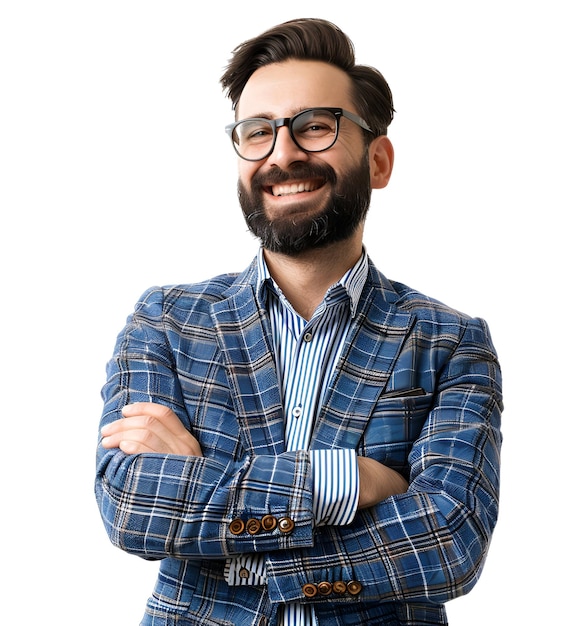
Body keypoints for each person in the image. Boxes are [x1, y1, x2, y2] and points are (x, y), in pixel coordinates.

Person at [96, 17, 503, 626]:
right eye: (257, 132)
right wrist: (345, 480)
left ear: (379, 159)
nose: (282, 154)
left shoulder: (450, 343)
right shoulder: (167, 321)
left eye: (315, 127)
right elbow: (131, 505)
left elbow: (450, 542)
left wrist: (246, 544)